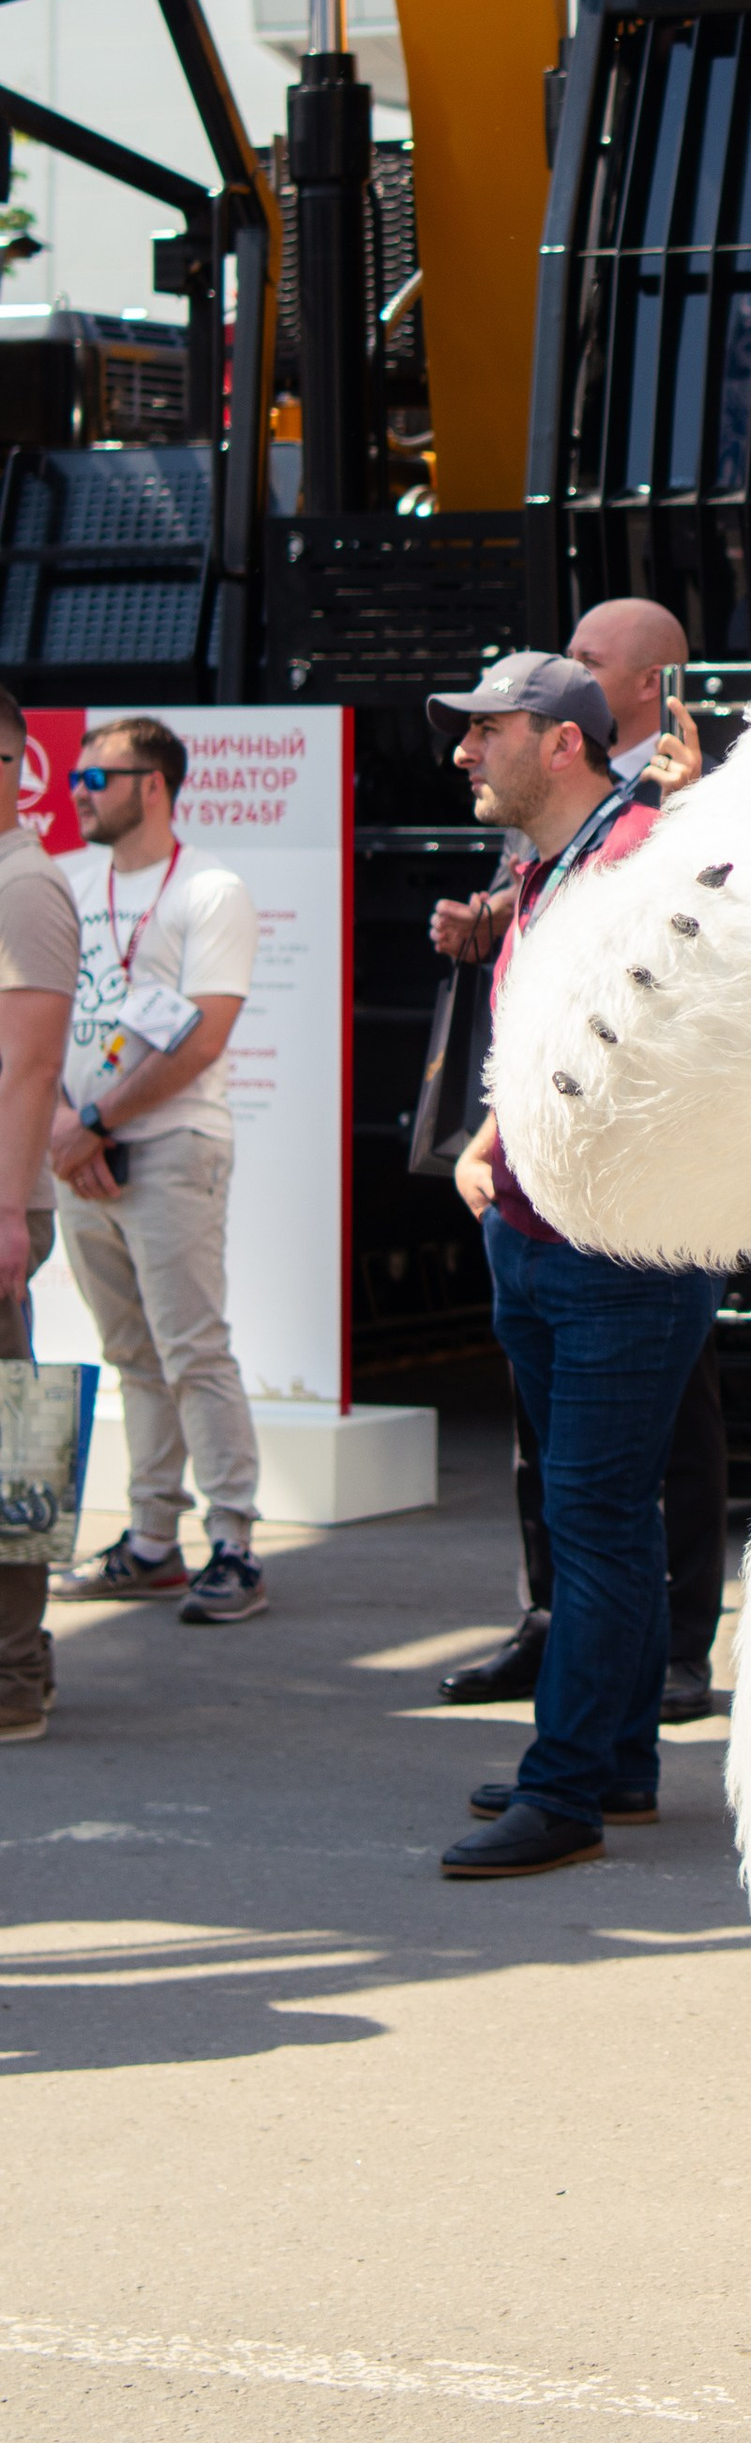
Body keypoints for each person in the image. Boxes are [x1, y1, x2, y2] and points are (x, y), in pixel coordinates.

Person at [430, 652, 722, 1879]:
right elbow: (541, 1033)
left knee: (594, 1520)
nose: (460, 752)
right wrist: (489, 1138)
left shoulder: (645, 853)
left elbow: (672, 1036)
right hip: (546, 1233)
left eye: (483, 730)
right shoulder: (554, 861)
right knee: (596, 1515)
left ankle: (566, 1792)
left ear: (559, 744)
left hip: (618, 1245)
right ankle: (616, 1768)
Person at [49, 717, 266, 1625]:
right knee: (132, 1355)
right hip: (75, 1149)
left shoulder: (210, 890)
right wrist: (68, 1132)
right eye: (73, 779)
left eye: (96, 778)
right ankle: (150, 1541)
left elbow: (203, 1035)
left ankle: (236, 1546)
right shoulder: (66, 881)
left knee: (191, 1350)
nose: (79, 793)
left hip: (172, 1145)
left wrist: (93, 1121)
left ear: (154, 784)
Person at [0, 689, 81, 1743]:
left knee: (8, 1448)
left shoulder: (24, 887)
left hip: (0, 1206)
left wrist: (10, 1217)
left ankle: (14, 1676)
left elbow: (29, 1069)